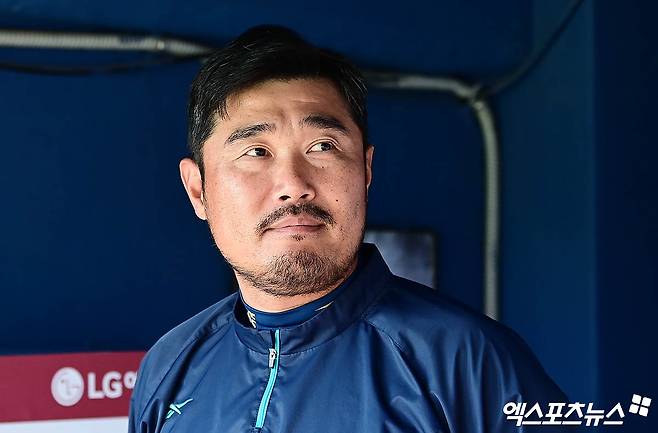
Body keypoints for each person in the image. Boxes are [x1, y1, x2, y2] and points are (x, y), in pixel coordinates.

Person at [128, 25, 566, 432]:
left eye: (323, 146)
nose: (293, 185)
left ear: (366, 171)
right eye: (256, 152)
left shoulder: (469, 361)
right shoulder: (169, 367)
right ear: (198, 190)